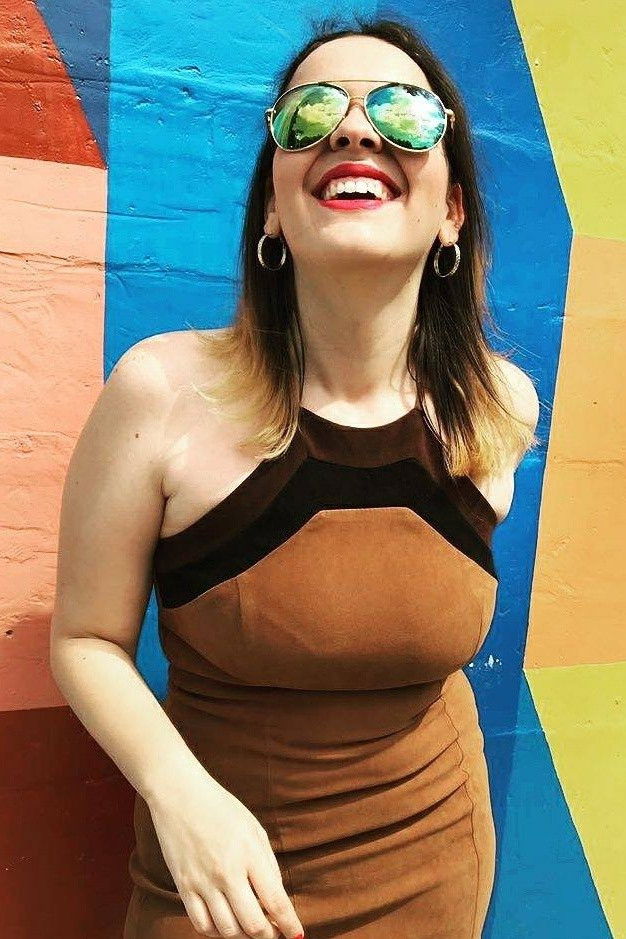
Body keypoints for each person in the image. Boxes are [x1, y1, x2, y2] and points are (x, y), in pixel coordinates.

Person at [50, 14, 540, 939]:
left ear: (453, 210)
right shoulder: (161, 391)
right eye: (311, 112)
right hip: (219, 893)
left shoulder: (498, 410)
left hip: (435, 872)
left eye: (403, 113)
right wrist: (180, 795)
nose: (354, 130)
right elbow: (84, 639)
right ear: (272, 208)